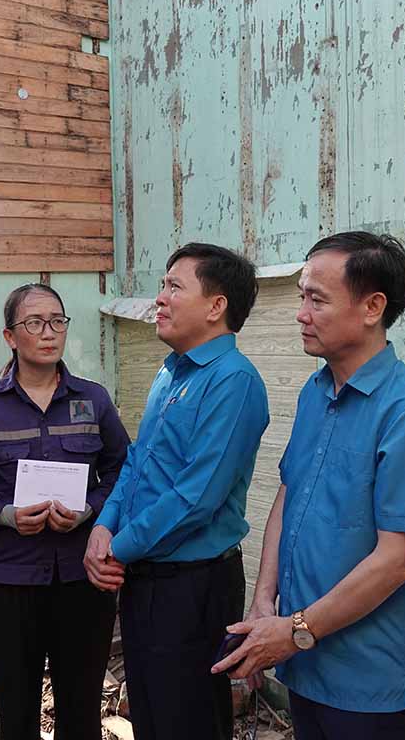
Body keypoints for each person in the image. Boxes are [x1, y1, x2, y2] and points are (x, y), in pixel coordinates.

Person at [215, 232, 405, 740]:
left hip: (370, 679)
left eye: (316, 299)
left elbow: (398, 559)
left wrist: (296, 630)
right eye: (302, 296)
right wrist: (265, 601)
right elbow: (289, 492)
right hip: (307, 665)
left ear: (373, 307)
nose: (301, 312)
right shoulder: (316, 391)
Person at [85, 243, 270, 740]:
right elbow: (138, 462)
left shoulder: (234, 381)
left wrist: (117, 549)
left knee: (187, 719)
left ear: (216, 306)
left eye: (174, 286)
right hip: (146, 573)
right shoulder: (171, 371)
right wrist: (105, 525)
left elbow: (196, 497)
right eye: (162, 285)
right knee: (150, 712)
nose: (160, 299)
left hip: (194, 584)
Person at [0, 283, 130, 740]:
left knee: (81, 708)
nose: (49, 333)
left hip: (83, 578)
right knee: (16, 710)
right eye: (34, 323)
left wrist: (90, 510)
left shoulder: (94, 401)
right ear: (9, 335)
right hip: (9, 581)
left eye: (57, 321)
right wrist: (5, 515)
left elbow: (124, 472)